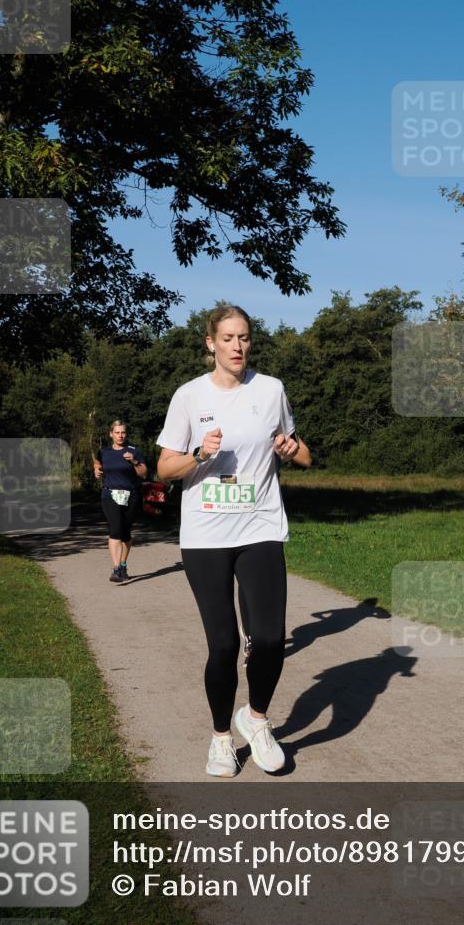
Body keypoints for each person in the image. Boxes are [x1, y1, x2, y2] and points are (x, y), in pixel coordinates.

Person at [156, 304, 311, 778]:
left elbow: (302, 453)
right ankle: (222, 738)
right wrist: (200, 454)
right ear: (211, 344)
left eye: (243, 337)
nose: (237, 346)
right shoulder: (188, 396)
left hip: (260, 525)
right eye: (227, 338)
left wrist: (290, 449)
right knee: (223, 645)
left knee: (268, 639)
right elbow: (165, 469)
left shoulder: (271, 390)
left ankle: (256, 719)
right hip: (205, 534)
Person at [93, 420, 147, 583]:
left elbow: (144, 474)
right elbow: (97, 462)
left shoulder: (133, 451)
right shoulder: (104, 451)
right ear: (111, 434)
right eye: (117, 432)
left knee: (125, 533)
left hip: (130, 496)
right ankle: (116, 569)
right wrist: (96, 469)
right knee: (115, 529)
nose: (120, 435)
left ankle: (123, 565)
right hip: (110, 495)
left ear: (126, 434)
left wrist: (134, 462)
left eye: (123, 432)